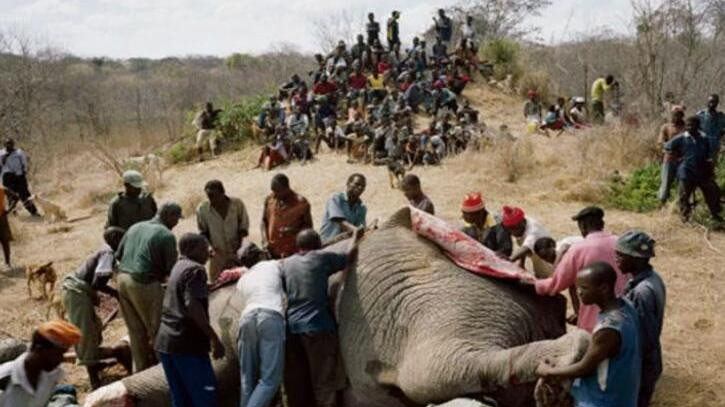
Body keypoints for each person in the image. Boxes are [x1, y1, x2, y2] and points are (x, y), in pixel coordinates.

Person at [536, 262, 641, 407]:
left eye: (584, 288)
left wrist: (549, 372)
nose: (578, 292)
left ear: (603, 288)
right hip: (622, 390)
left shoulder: (608, 329)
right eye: (577, 286)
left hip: (602, 399)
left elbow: (584, 368)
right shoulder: (625, 306)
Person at [282, 227, 364, 407]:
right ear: (318, 246)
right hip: (317, 327)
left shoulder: (287, 263)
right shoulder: (321, 257)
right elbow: (349, 257)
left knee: (299, 383)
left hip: (292, 329)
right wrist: (356, 236)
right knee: (324, 383)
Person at [155, 233, 225, 407]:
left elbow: (183, 292)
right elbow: (192, 306)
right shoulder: (195, 269)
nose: (208, 254)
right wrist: (214, 339)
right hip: (186, 344)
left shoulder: (179, 266)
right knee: (205, 398)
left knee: (181, 398)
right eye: (204, 249)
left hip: (166, 342)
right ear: (191, 249)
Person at [535, 206, 629, 332]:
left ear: (583, 225)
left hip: (595, 323)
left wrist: (533, 284)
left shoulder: (578, 249)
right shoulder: (620, 244)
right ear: (602, 223)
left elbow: (556, 284)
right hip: (626, 316)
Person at [116, 202, 181, 373]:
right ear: (169, 216)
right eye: (176, 219)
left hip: (122, 279)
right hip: (143, 282)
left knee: (136, 332)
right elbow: (172, 271)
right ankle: (164, 371)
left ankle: (141, 372)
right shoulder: (166, 235)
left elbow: (119, 255)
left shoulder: (135, 227)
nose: (176, 223)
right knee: (157, 329)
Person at [61, 226, 126, 389]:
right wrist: (115, 293)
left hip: (82, 291)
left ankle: (94, 364)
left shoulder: (108, 252)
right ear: (115, 240)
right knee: (85, 333)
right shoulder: (108, 253)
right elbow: (98, 282)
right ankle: (93, 378)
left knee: (94, 328)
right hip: (76, 291)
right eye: (122, 239)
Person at [615, 230, 666, 407]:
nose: (616, 260)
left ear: (636, 258)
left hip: (641, 366)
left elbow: (644, 337)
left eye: (620, 256)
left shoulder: (641, 292)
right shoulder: (652, 278)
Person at [236, 243, 285, 407]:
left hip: (247, 318)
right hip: (270, 316)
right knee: (269, 380)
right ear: (260, 255)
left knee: (247, 379)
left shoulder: (242, 280)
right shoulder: (273, 265)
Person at [0, 320, 81, 407]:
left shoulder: (51, 376)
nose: (61, 359)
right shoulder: (5, 377)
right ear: (38, 349)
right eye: (57, 354)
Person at [664, 116, 722, 222]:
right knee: (684, 196)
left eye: (692, 125)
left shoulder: (704, 138)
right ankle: (685, 217)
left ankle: (716, 215)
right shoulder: (681, 138)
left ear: (698, 126)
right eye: (687, 125)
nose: (689, 127)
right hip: (686, 171)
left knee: (713, 192)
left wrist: (710, 166)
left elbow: (709, 155)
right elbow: (668, 147)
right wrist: (677, 157)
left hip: (703, 172)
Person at [196, 180, 250, 281]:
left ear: (223, 192)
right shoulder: (202, 209)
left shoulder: (237, 204)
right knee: (217, 285)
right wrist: (209, 248)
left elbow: (243, 228)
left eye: (213, 196)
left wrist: (240, 247)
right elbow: (202, 233)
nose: (211, 200)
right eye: (209, 196)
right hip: (217, 256)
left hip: (237, 253)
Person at [261, 174, 313, 259]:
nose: (274, 194)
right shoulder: (270, 200)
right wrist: (264, 241)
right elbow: (263, 221)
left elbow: (309, 228)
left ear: (286, 188)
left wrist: (293, 230)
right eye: (273, 191)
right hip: (273, 253)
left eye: (277, 191)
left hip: (293, 253)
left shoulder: (301, 203)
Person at [501, 206, 552, 278]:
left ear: (521, 224)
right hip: (536, 254)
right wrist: (521, 264)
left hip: (547, 259)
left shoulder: (533, 231)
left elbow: (525, 248)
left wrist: (510, 259)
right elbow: (523, 242)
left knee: (544, 278)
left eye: (513, 230)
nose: (512, 233)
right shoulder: (521, 223)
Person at [459, 193, 512, 257]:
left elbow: (506, 249)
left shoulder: (498, 224)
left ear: (479, 213)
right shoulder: (469, 225)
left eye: (466, 214)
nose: (462, 216)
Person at [319, 173, 367, 244]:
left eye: (362, 186)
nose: (360, 188)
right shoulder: (335, 198)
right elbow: (339, 221)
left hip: (345, 246)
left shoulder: (361, 208)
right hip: (328, 243)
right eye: (357, 184)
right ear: (348, 184)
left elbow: (360, 228)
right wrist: (356, 230)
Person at [0, 138, 39, 216]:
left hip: (19, 176)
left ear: (13, 144)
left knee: (25, 194)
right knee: (10, 197)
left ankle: (34, 212)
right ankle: (14, 215)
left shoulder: (19, 152)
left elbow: (24, 163)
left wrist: (23, 173)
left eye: (10, 144)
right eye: (7, 144)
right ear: (4, 145)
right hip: (7, 177)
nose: (9, 145)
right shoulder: (1, 153)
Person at [657, 105, 686, 204]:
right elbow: (660, 142)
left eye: (679, 114)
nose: (676, 117)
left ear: (682, 115)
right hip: (669, 159)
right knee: (665, 183)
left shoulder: (686, 127)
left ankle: (680, 205)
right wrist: (667, 147)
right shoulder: (666, 127)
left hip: (683, 160)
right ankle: (662, 204)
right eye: (674, 114)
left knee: (682, 184)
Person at [696, 94, 725, 161]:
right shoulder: (700, 115)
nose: (712, 104)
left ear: (717, 103)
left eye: (714, 102)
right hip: (702, 147)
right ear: (707, 102)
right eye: (710, 102)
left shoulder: (721, 117)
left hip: (715, 148)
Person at [0, 185, 17, 269]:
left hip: (2, 218)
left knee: (4, 241)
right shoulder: (2, 189)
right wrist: (8, 210)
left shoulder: (2, 189)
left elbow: (16, 197)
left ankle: (7, 262)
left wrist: (8, 210)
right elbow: (16, 197)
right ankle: (7, 262)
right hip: (2, 218)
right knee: (4, 241)